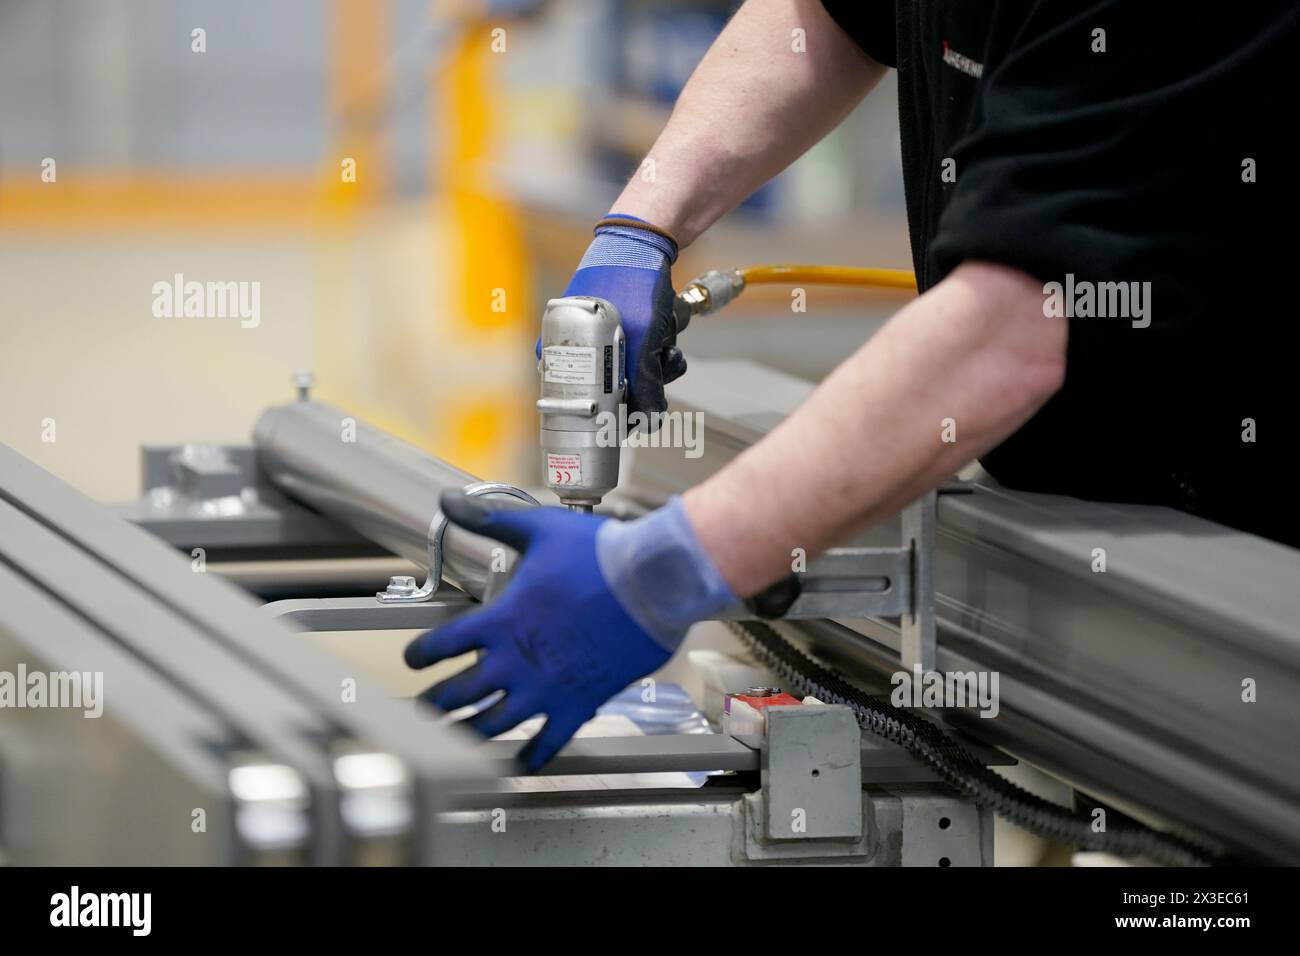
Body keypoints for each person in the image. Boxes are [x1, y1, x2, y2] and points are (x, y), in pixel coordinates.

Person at [405, 0, 1299, 769]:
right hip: (1094, 523)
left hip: (1253, 574)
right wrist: (640, 224)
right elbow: (827, 20)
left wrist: (666, 570)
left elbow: (1010, 332)